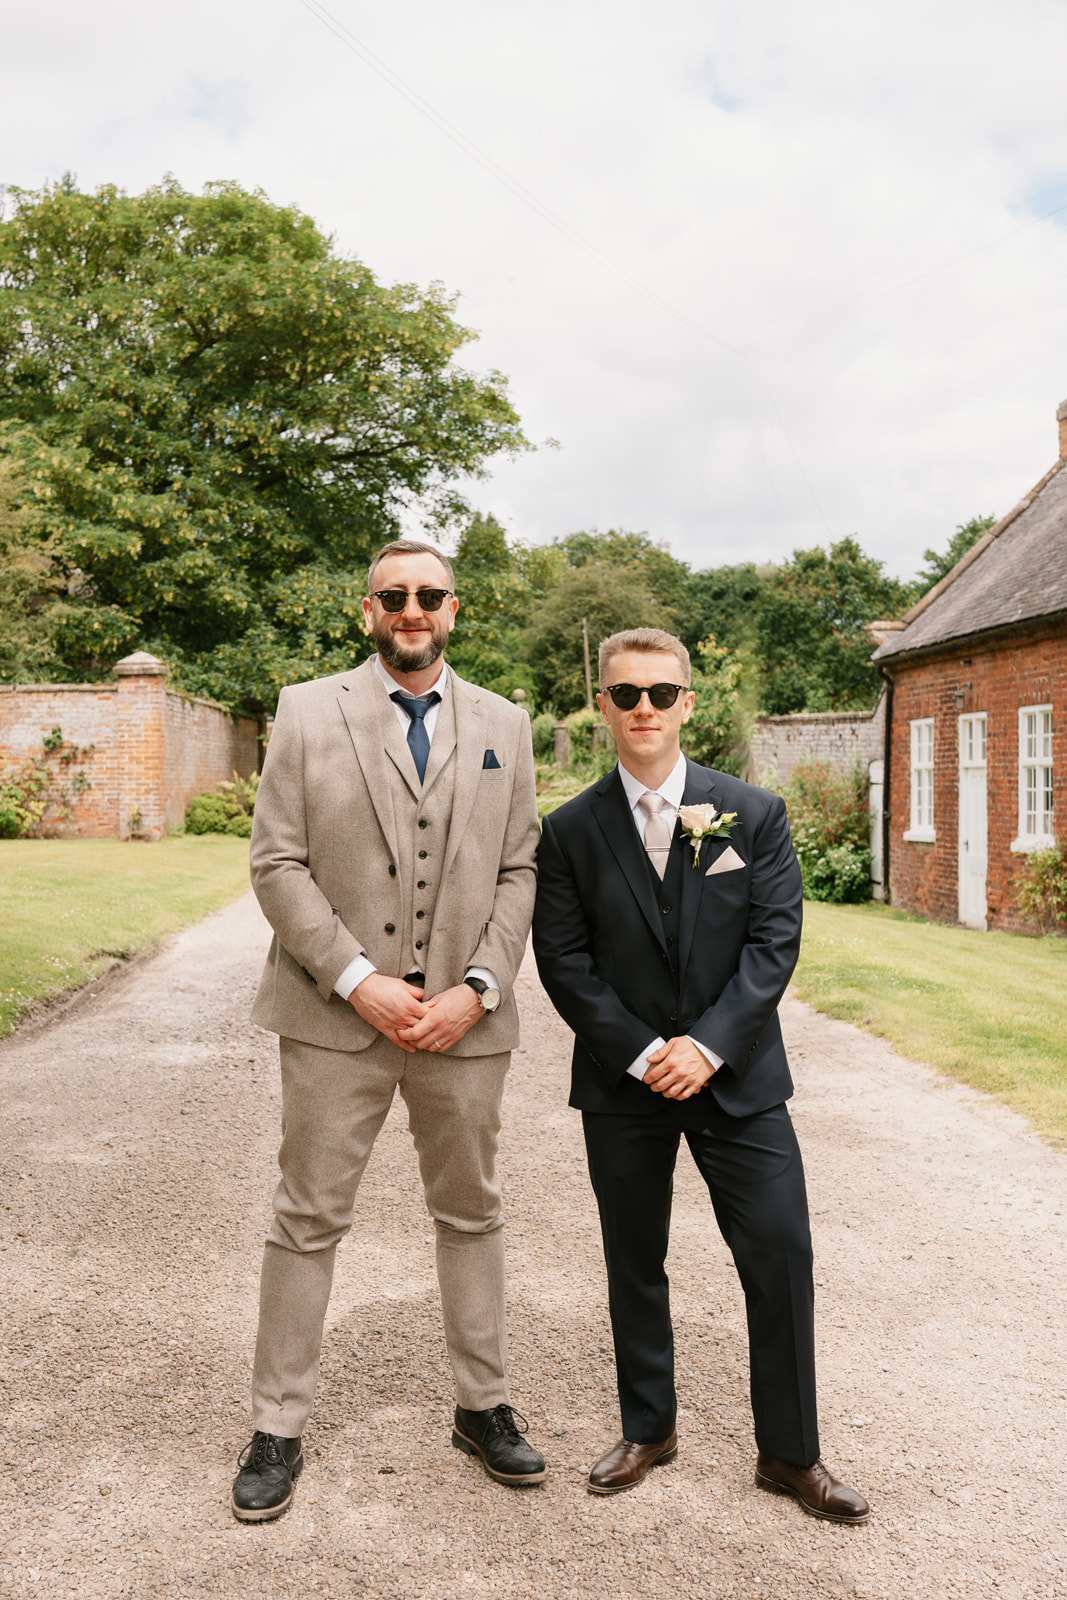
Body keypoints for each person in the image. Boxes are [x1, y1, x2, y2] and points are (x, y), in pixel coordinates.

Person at [231, 539, 545, 1522]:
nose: (412, 610)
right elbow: (276, 864)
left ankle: (481, 1404)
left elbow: (519, 870)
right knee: (307, 1217)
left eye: (429, 596)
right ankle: (276, 1424)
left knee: (471, 1211)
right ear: (367, 611)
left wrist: (480, 986)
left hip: (464, 1026)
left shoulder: (506, 723)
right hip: (334, 1020)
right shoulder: (303, 710)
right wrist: (359, 979)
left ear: (454, 610)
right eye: (394, 596)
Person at [532, 627, 869, 1523]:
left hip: (740, 1079)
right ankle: (649, 1428)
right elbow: (563, 962)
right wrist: (645, 1052)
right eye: (626, 694)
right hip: (622, 1083)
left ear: (689, 702)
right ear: (601, 705)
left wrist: (707, 1047)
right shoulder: (566, 831)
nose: (644, 708)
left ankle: (790, 1455)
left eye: (661, 693)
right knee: (634, 1259)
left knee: (780, 1253)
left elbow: (773, 942)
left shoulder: (751, 815)